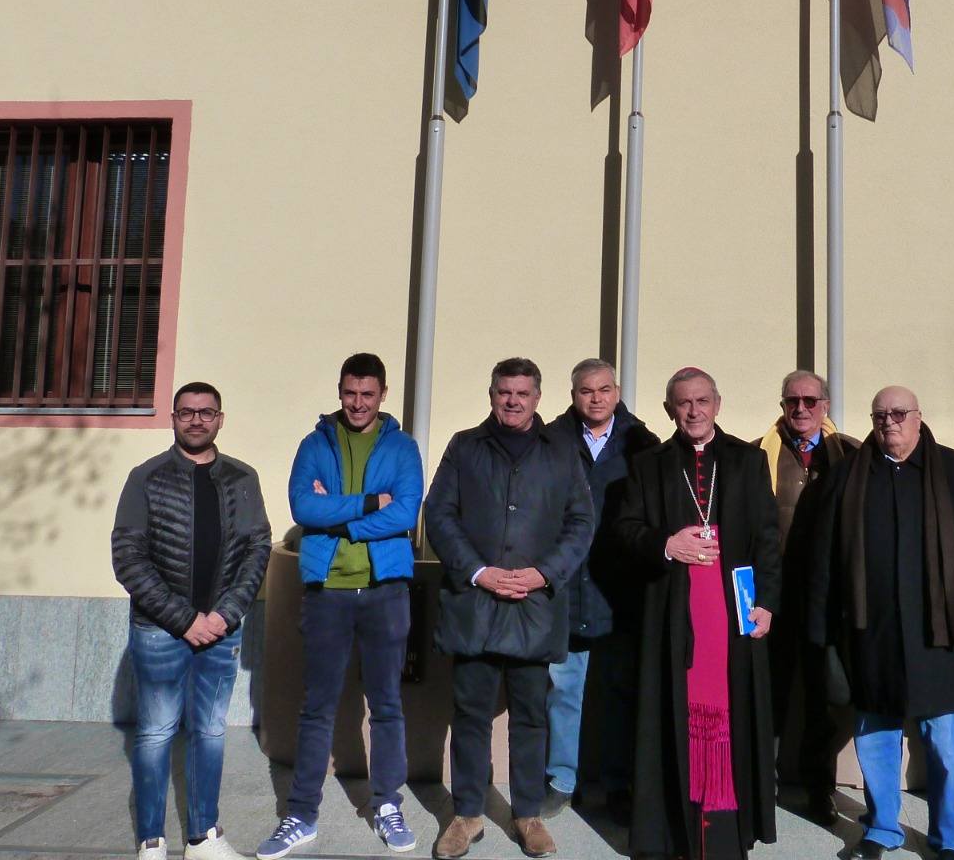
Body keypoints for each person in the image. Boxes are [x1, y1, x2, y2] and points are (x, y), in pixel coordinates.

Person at [808, 386, 954, 860]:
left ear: (918, 417)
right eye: (880, 415)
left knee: (944, 740)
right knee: (875, 733)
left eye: (898, 413)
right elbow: (823, 559)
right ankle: (881, 828)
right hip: (870, 630)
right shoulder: (848, 476)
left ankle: (951, 836)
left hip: (938, 632)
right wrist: (821, 628)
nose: (889, 422)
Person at [423, 358, 595, 860]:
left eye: (522, 393)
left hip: (534, 605)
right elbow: (440, 513)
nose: (513, 401)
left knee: (531, 716)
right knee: (470, 714)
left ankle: (527, 814)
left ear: (538, 397)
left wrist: (544, 572)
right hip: (475, 602)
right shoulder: (465, 446)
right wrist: (478, 571)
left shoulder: (561, 450)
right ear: (492, 394)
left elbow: (581, 522)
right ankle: (467, 814)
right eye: (504, 392)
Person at [257, 354, 425, 860]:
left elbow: (406, 512)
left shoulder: (402, 447)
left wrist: (337, 519)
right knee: (317, 707)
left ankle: (387, 804)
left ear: (383, 394)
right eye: (350, 393)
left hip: (384, 590)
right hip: (327, 590)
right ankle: (301, 814)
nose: (358, 403)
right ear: (339, 391)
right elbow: (302, 507)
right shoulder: (315, 444)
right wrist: (370, 502)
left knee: (387, 704)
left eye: (367, 394)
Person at [613, 366, 781, 860]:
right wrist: (666, 544)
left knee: (733, 708)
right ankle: (674, 827)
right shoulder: (649, 464)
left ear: (717, 404)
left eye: (702, 401)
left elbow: (768, 538)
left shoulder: (748, 460)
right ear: (670, 410)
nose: (694, 411)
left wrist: (767, 602)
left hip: (733, 610)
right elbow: (625, 529)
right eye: (684, 403)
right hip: (674, 612)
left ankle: (729, 828)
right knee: (677, 710)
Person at [113, 381, 272, 860]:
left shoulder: (243, 478)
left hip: (221, 631)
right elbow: (128, 558)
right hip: (159, 630)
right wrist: (185, 620)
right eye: (187, 412)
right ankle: (152, 841)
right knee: (155, 733)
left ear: (220, 418)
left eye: (206, 412)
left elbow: (257, 549)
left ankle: (203, 837)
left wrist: (226, 614)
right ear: (173, 418)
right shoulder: (146, 478)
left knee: (210, 731)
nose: (197, 420)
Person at [540, 359, 659, 821]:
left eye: (604, 389)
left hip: (619, 591)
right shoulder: (551, 440)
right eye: (586, 390)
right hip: (566, 587)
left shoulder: (641, 443)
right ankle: (562, 779)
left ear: (617, 391)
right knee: (564, 689)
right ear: (573, 395)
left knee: (619, 691)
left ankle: (617, 782)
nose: (596, 398)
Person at [751, 369, 854, 824]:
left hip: (824, 599)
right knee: (769, 694)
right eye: (792, 400)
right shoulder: (758, 454)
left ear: (825, 406)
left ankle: (819, 790)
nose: (801, 408)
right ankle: (762, 786)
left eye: (810, 400)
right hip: (772, 596)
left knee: (821, 698)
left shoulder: (850, 453)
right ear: (782, 405)